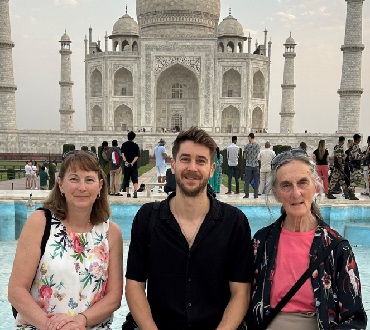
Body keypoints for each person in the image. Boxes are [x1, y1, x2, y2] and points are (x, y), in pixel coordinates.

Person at [125, 127, 253, 330]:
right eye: (185, 159)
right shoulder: (147, 218)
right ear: (173, 165)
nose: (192, 168)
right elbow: (134, 285)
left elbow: (241, 292)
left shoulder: (234, 222)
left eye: (201, 161)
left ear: (212, 169)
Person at [248, 148, 367, 329]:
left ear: (315, 187)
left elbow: (354, 319)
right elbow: (245, 301)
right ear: (276, 193)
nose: (296, 193)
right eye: (286, 185)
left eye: (303, 183)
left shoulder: (337, 248)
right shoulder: (261, 242)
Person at [8, 150, 123, 330]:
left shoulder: (111, 232)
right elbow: (16, 290)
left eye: (89, 180)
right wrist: (53, 326)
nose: (82, 187)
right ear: (60, 184)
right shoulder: (40, 223)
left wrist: (81, 320)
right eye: (74, 179)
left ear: (100, 185)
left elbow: (114, 297)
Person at [121, 131, 140, 198]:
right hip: (133, 166)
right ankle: (135, 191)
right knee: (134, 178)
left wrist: (126, 161)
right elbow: (136, 156)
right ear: (134, 137)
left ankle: (128, 193)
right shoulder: (135, 146)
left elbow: (123, 154)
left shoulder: (124, 145)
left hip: (126, 165)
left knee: (127, 178)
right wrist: (132, 163)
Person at [243, 132, 260, 199]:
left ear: (250, 137)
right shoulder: (258, 146)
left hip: (249, 165)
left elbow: (244, 156)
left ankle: (246, 194)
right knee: (256, 181)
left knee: (247, 181)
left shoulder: (247, 146)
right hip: (256, 165)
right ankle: (255, 195)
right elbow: (258, 155)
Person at [348, 133, 362, 200]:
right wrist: (363, 156)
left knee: (353, 180)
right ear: (358, 139)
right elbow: (356, 157)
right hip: (355, 165)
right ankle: (350, 190)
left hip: (352, 166)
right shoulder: (356, 146)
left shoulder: (352, 146)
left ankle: (352, 194)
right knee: (357, 179)